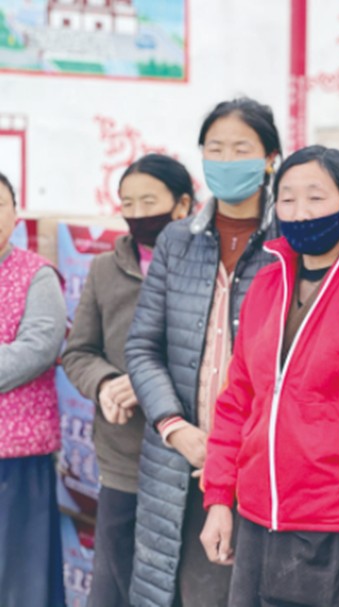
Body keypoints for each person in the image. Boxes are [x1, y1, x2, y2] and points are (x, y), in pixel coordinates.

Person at [198, 144, 339, 607]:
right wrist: (219, 498)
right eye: (287, 199)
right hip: (260, 516)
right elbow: (237, 400)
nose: (299, 212)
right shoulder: (267, 283)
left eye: (316, 198)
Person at [124, 98, 281, 607]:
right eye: (215, 149)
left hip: (259, 464)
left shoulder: (289, 242)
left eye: (241, 149)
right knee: (180, 589)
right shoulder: (177, 240)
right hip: (178, 461)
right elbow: (142, 346)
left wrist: (233, 450)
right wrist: (176, 428)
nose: (226, 160)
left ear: (270, 159)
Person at [62, 154, 194, 606]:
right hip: (122, 457)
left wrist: (147, 382)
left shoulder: (204, 270)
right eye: (128, 204)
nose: (138, 214)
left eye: (149, 202)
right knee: (113, 585)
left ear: (182, 204)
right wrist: (104, 385)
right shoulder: (105, 269)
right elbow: (78, 351)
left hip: (186, 456)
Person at [0, 171, 66, 607]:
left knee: (18, 579)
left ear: (15, 214)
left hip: (16, 456)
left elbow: (38, 348)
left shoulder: (36, 275)